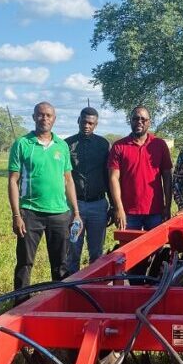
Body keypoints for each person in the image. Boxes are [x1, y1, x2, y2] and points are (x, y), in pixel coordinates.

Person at [8, 102, 81, 290]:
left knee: (61, 264)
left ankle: (59, 302)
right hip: (31, 213)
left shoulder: (62, 146)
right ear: (34, 117)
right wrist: (17, 215)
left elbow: (68, 180)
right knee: (25, 263)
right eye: (40, 115)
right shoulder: (22, 144)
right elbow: (13, 181)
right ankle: (20, 303)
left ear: (54, 119)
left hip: (59, 213)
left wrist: (76, 212)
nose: (44, 118)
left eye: (49, 115)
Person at [108, 106, 173, 230]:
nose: (139, 122)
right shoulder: (119, 146)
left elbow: (167, 177)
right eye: (136, 118)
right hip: (128, 212)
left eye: (143, 119)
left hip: (155, 211)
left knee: (155, 249)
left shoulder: (159, 144)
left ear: (149, 122)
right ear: (130, 121)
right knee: (128, 249)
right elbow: (113, 178)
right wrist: (119, 209)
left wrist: (167, 206)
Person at [65, 107, 110, 272]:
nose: (86, 125)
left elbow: (108, 176)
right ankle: (71, 289)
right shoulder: (67, 144)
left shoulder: (103, 145)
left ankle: (94, 287)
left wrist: (112, 205)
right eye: (84, 121)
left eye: (91, 123)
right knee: (73, 250)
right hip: (74, 206)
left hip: (98, 204)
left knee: (97, 252)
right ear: (78, 120)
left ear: (95, 124)